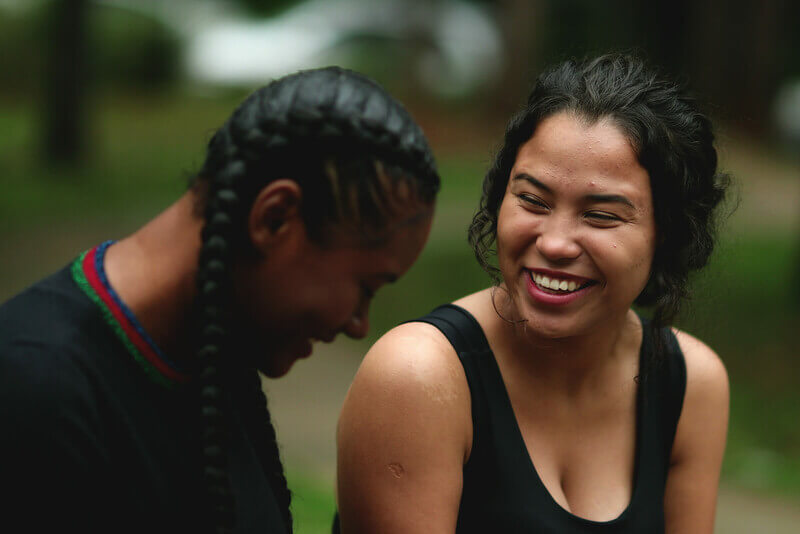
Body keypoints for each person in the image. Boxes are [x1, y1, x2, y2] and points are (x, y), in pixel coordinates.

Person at [0, 67, 439, 533]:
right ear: (274, 219)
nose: (359, 325)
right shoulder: (36, 392)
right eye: (366, 287)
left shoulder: (215, 353)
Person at [336, 54, 730, 533]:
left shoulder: (689, 385)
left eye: (601, 215)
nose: (554, 242)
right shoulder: (419, 379)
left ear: (666, 233)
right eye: (532, 200)